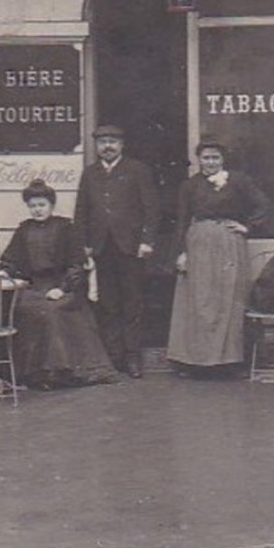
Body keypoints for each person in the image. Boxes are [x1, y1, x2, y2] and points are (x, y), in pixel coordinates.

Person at [0, 180, 124, 388]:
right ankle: (34, 374)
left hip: (63, 286)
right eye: (33, 206)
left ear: (51, 205)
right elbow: (12, 259)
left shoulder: (65, 228)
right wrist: (4, 271)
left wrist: (62, 288)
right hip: (34, 287)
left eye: (41, 205)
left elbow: (76, 264)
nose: (37, 210)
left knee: (52, 311)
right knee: (23, 309)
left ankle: (60, 372)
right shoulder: (24, 230)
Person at [166, 141, 272, 375]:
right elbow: (183, 220)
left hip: (228, 246)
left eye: (215, 158)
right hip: (198, 246)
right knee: (199, 302)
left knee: (228, 301)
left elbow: (263, 204)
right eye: (206, 158)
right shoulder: (189, 186)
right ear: (198, 160)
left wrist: (248, 227)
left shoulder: (238, 181)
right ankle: (196, 362)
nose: (210, 162)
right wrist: (181, 253)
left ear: (222, 159)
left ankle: (228, 362)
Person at [73, 123, 160, 377]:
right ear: (96, 146)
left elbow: (151, 209)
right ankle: (113, 357)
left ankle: (133, 356)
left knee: (132, 302)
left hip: (131, 247)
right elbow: (81, 212)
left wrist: (147, 240)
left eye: (113, 141)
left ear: (122, 145)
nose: (107, 146)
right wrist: (84, 244)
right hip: (101, 247)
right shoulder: (90, 174)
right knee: (108, 304)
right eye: (102, 142)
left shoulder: (137, 170)